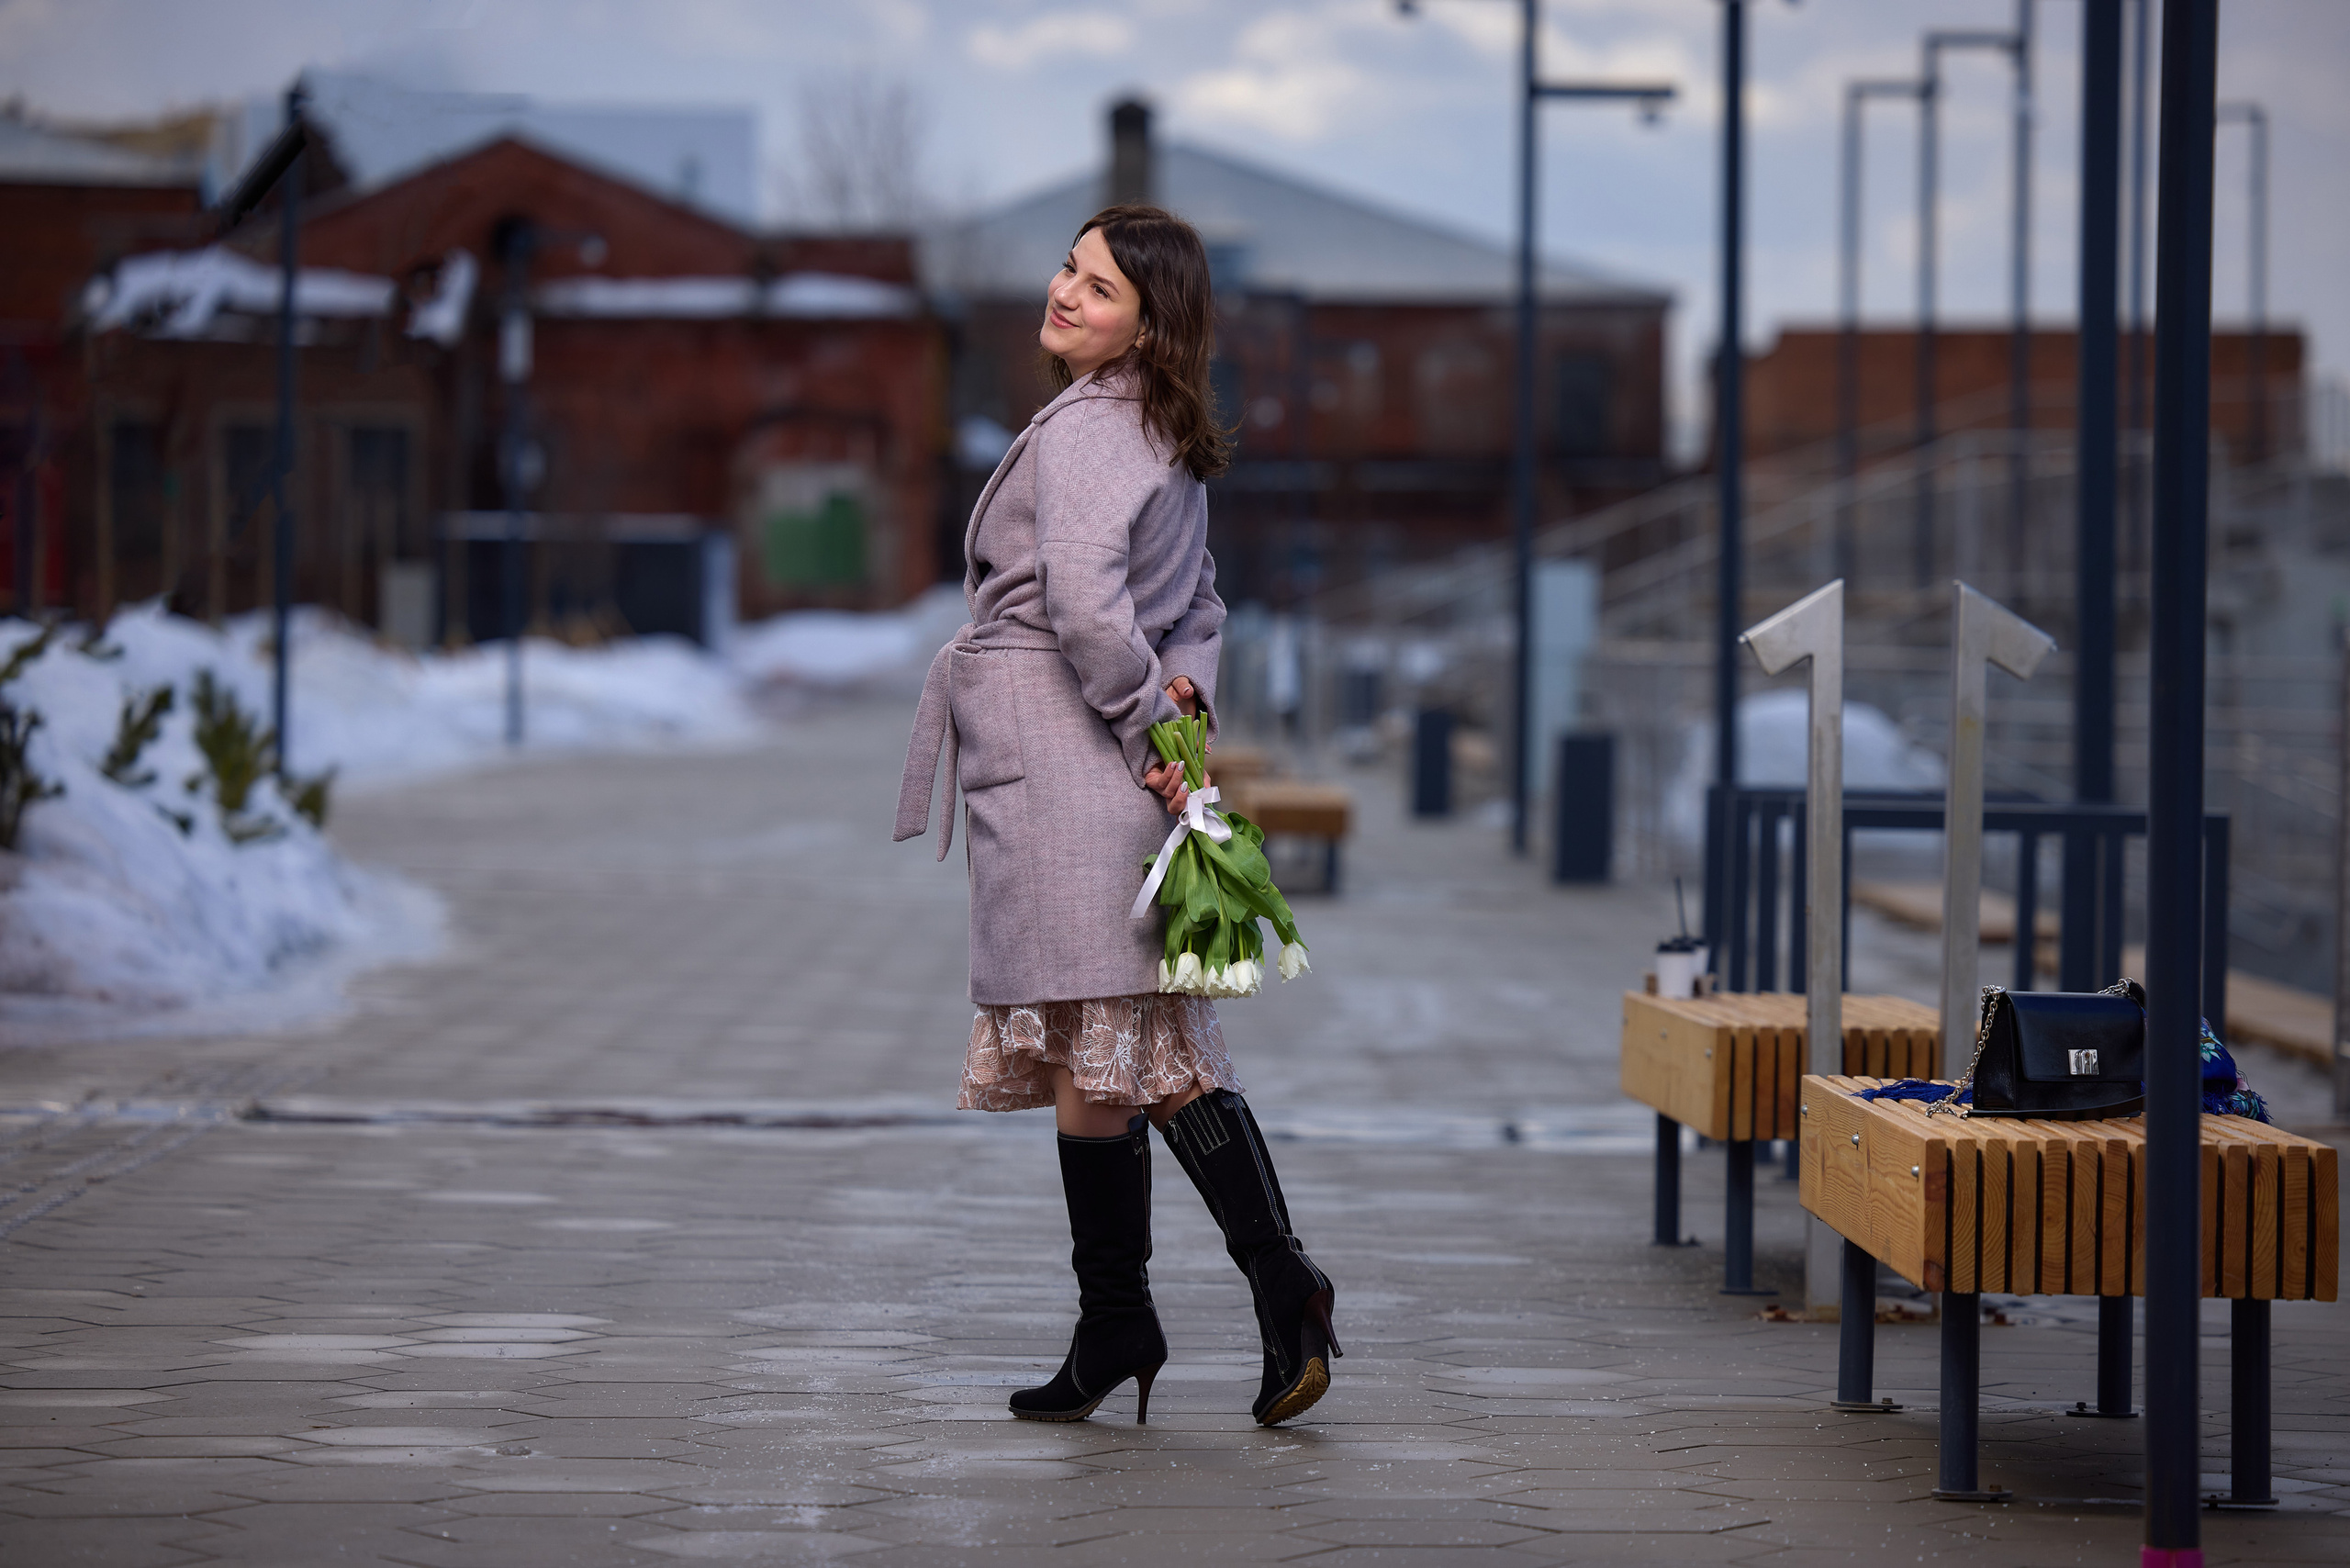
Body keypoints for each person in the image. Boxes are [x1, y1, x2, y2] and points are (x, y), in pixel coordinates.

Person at [895, 205, 1338, 1428]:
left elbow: (1093, 611)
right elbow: (1198, 600)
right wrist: (1182, 695)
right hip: (1101, 768)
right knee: (1107, 1059)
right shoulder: (1158, 419)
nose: (1066, 295)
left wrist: (1148, 717)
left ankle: (1281, 1283)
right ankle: (1117, 1325)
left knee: (1149, 1052)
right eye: (1070, 271)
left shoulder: (1096, 427)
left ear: (1153, 317)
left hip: (1078, 768)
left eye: (1098, 287)